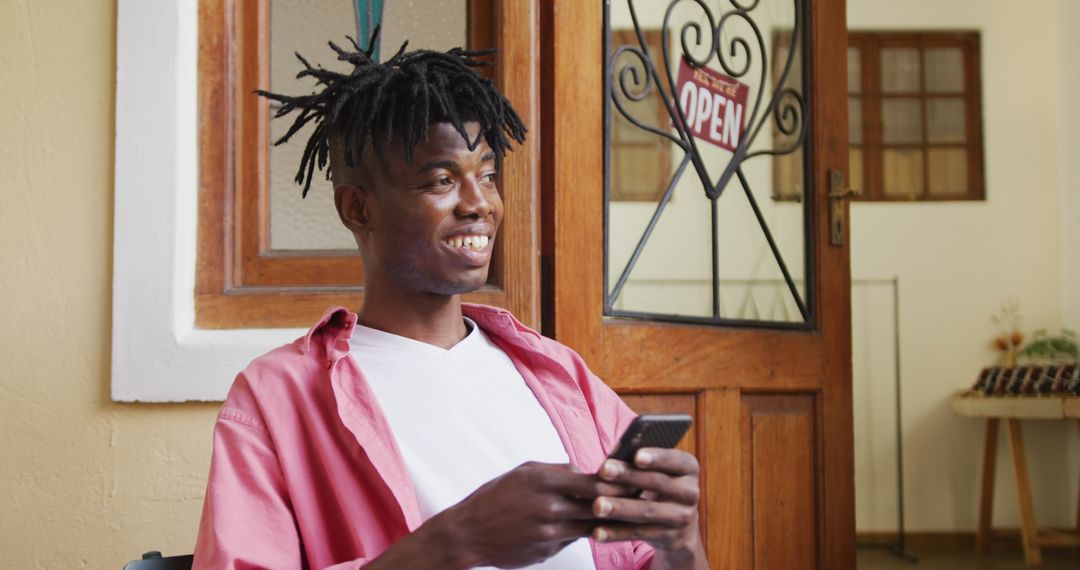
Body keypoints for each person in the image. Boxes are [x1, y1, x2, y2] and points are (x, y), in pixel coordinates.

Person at [193, 34, 708, 570]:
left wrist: (681, 542)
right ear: (358, 209)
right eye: (442, 180)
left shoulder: (559, 375)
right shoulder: (279, 397)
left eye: (486, 175)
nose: (480, 203)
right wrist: (456, 542)